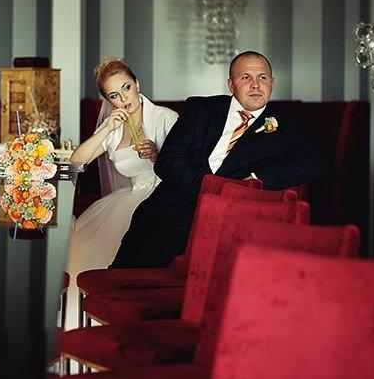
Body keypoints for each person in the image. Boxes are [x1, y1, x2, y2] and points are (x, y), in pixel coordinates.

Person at [111, 50, 329, 269]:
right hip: (174, 208)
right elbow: (167, 161)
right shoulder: (200, 109)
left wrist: (255, 179)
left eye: (262, 77)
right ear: (231, 85)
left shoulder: (284, 123)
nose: (255, 84)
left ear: (272, 83)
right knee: (127, 275)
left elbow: (317, 162)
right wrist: (211, 191)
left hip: (231, 217)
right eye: (246, 77)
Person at [64, 58, 178, 327]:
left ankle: (133, 322)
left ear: (137, 84)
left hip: (164, 199)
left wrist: (158, 155)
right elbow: (76, 162)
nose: (124, 99)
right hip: (129, 198)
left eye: (126, 88)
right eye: (114, 95)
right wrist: (106, 128)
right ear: (108, 100)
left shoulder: (166, 118)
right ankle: (94, 324)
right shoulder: (114, 128)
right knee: (88, 245)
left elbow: (185, 167)